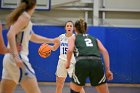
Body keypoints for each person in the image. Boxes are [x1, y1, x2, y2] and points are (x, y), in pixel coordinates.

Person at [0, 0, 57, 93]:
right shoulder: (24, 17)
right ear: (34, 4)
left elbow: (32, 36)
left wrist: (51, 40)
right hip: (18, 59)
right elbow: (10, 34)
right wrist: (16, 56)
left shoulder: (22, 17)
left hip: (9, 60)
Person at [66, 19, 113, 93]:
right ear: (86, 28)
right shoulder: (94, 39)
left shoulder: (73, 37)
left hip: (82, 61)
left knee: (74, 88)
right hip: (96, 62)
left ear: (75, 28)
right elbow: (105, 52)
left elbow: (69, 50)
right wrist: (108, 70)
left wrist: (67, 63)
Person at [51, 21, 85, 93]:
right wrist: (48, 48)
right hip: (61, 62)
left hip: (72, 62)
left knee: (77, 84)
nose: (69, 27)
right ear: (65, 28)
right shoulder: (61, 37)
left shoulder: (75, 38)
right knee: (59, 84)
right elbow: (54, 48)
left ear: (73, 28)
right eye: (67, 26)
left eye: (70, 26)